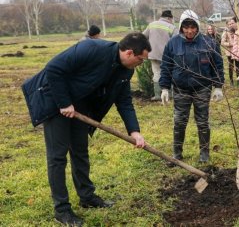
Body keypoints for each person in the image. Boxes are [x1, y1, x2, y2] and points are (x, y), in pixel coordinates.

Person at [21, 32, 151, 226]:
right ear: (130, 53)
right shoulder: (91, 49)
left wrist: (135, 131)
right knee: (57, 156)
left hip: (81, 105)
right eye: (141, 60)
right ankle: (62, 210)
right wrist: (64, 102)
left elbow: (124, 101)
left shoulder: (126, 71)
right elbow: (54, 69)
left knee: (80, 151)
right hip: (56, 100)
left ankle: (87, 197)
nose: (141, 64)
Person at [159, 9, 224, 163]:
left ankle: (204, 154)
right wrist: (164, 88)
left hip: (202, 88)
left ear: (198, 26)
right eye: (186, 27)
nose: (189, 31)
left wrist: (218, 86)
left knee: (202, 122)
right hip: (181, 89)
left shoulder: (209, 43)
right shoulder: (173, 44)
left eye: (193, 27)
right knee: (179, 122)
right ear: (181, 27)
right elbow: (166, 67)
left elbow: (218, 65)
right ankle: (177, 154)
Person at [143, 9, 177, 101]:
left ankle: (157, 95)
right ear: (170, 18)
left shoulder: (152, 24)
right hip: (167, 56)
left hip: (153, 54)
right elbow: (177, 41)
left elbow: (143, 37)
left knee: (157, 73)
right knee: (169, 73)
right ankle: (169, 94)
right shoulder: (172, 27)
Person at [221, 19, 235, 86]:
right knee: (231, 66)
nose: (230, 25)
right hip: (230, 52)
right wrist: (230, 44)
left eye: (231, 24)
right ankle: (231, 80)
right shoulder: (226, 32)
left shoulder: (236, 30)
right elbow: (222, 42)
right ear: (227, 25)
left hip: (237, 51)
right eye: (229, 24)